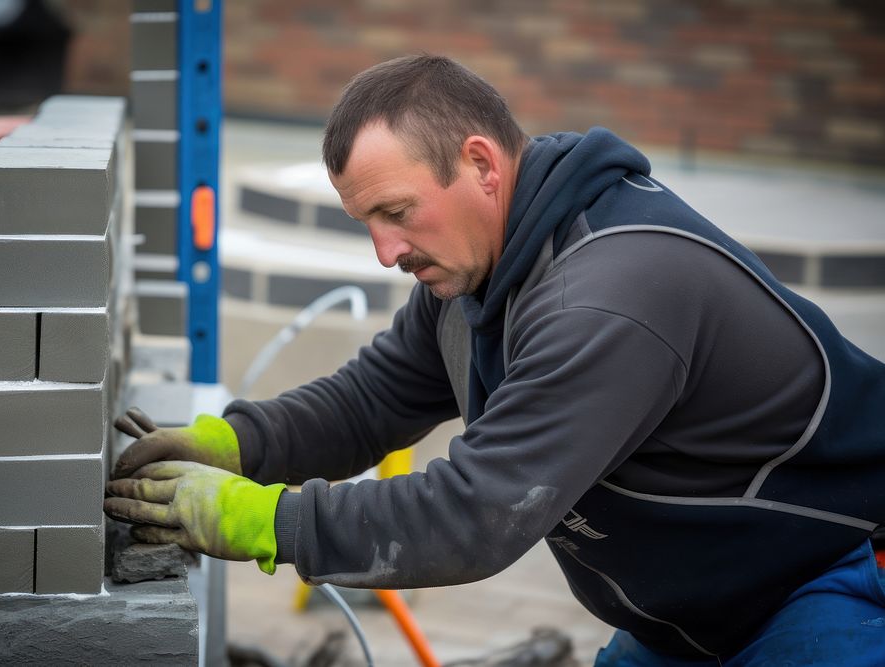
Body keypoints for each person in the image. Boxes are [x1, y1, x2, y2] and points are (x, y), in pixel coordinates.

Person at [103, 55, 885, 665]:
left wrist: (257, 519)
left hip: (828, 587)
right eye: (365, 221)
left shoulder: (608, 296)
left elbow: (473, 514)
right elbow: (371, 400)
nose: (384, 252)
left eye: (396, 212)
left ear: (481, 164)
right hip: (691, 621)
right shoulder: (479, 269)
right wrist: (238, 442)